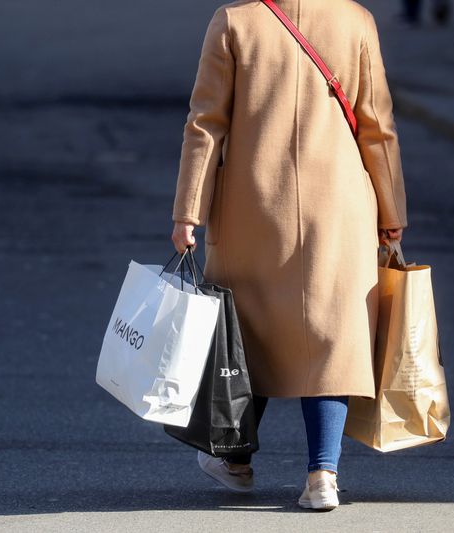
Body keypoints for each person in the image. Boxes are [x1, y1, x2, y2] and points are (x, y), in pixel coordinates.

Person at [171, 0, 407, 511]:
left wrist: (187, 212)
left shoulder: (235, 20)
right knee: (330, 338)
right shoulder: (356, 20)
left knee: (246, 334)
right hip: (338, 206)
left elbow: (206, 123)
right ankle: (322, 474)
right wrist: (392, 211)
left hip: (253, 206)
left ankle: (234, 459)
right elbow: (376, 126)